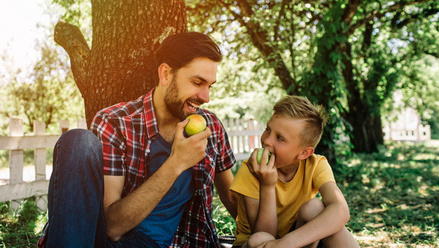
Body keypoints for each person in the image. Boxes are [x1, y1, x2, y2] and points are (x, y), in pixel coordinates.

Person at [38, 32, 237, 248]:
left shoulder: (211, 127)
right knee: (77, 141)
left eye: (210, 86)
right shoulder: (115, 122)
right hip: (114, 242)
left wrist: (267, 186)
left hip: (177, 243)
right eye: (198, 82)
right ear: (165, 74)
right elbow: (112, 228)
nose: (206, 97)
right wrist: (176, 164)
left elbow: (233, 201)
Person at [229, 96, 359, 248]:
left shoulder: (315, 165)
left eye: (280, 138)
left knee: (315, 208)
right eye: (268, 129)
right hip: (253, 244)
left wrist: (284, 244)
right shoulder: (252, 170)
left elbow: (341, 211)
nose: (267, 141)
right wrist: (267, 186)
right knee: (260, 238)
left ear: (304, 153)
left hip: (291, 242)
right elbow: (264, 234)